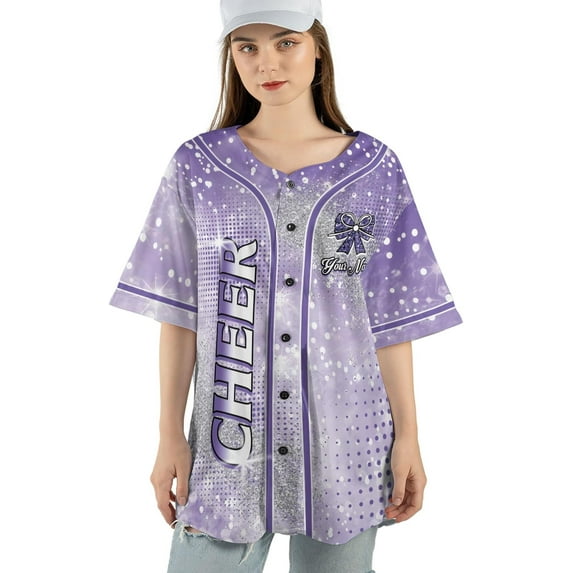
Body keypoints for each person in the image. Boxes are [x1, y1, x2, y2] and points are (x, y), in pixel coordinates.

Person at [109, 1, 462, 571]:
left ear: (318, 48)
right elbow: (179, 314)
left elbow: (390, 322)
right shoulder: (199, 166)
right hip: (229, 444)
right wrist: (169, 433)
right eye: (246, 46)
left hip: (348, 441)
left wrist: (409, 437)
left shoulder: (375, 169)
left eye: (285, 42)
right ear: (231, 56)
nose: (266, 62)